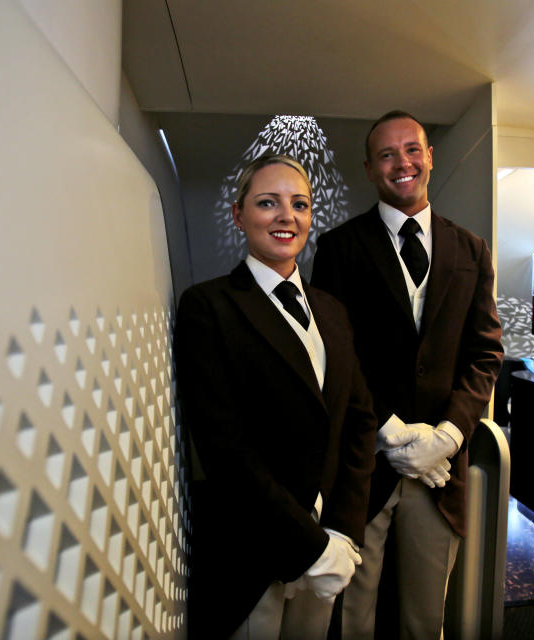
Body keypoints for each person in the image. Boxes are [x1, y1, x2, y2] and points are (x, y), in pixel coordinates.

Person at [311, 111, 504, 638]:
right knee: (351, 615)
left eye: (412, 149)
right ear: (370, 168)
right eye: (388, 154)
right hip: (365, 463)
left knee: (425, 619)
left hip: (440, 473)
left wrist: (449, 435)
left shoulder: (471, 250)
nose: (403, 163)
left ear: (429, 157)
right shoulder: (339, 248)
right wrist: (387, 432)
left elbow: (485, 353)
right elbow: (335, 353)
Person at [174, 154, 378, 639]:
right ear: (238, 214)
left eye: (300, 204)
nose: (287, 216)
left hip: (329, 542)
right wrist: (307, 544)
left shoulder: (332, 310)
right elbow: (224, 448)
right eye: (268, 203)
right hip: (253, 550)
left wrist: (343, 532)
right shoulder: (207, 305)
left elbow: (360, 420)